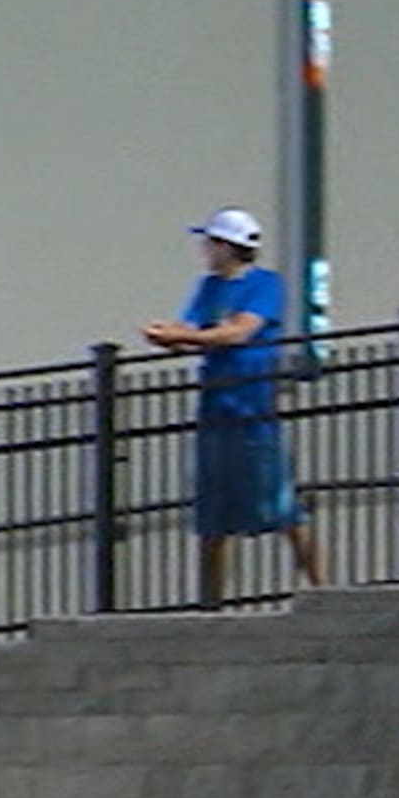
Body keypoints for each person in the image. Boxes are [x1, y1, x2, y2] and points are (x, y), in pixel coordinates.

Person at [140, 207, 326, 604]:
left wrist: (184, 336)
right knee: (212, 518)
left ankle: (321, 588)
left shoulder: (265, 285)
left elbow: (240, 331)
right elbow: (193, 330)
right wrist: (170, 336)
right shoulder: (207, 287)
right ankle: (211, 603)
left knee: (283, 507)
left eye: (211, 242)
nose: (206, 250)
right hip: (215, 411)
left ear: (228, 246)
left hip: (253, 411)